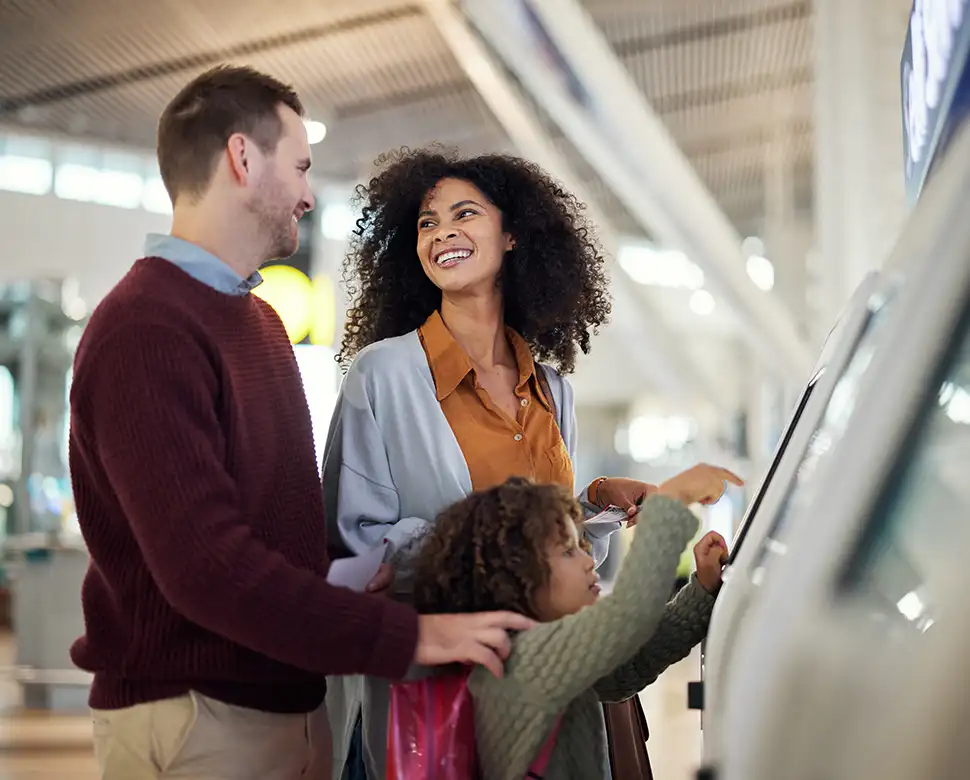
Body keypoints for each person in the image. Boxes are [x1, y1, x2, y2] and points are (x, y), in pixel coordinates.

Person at [67, 66, 533, 780]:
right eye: (301, 166)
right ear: (242, 159)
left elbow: (261, 536)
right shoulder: (145, 328)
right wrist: (408, 635)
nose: (310, 195)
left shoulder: (258, 324)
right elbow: (207, 569)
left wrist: (341, 578)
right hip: (199, 716)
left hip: (285, 705)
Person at [323, 148, 663, 778]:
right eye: (427, 223)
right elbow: (355, 548)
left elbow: (552, 546)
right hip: (439, 699)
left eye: (464, 215)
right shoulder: (383, 376)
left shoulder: (551, 388)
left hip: (546, 686)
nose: (443, 232)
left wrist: (593, 509)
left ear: (512, 236)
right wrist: (490, 544)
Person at [412, 465, 740, 780]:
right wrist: (674, 498)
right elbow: (629, 615)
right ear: (516, 577)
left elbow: (631, 661)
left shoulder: (547, 647)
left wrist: (702, 590)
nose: (588, 561)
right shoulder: (516, 658)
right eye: (568, 551)